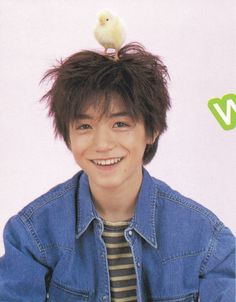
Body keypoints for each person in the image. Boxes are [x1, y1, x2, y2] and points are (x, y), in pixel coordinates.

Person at [0, 43, 235, 302]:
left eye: (120, 123)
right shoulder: (33, 233)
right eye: (85, 126)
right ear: (67, 135)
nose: (102, 144)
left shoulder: (205, 238)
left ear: (151, 130)